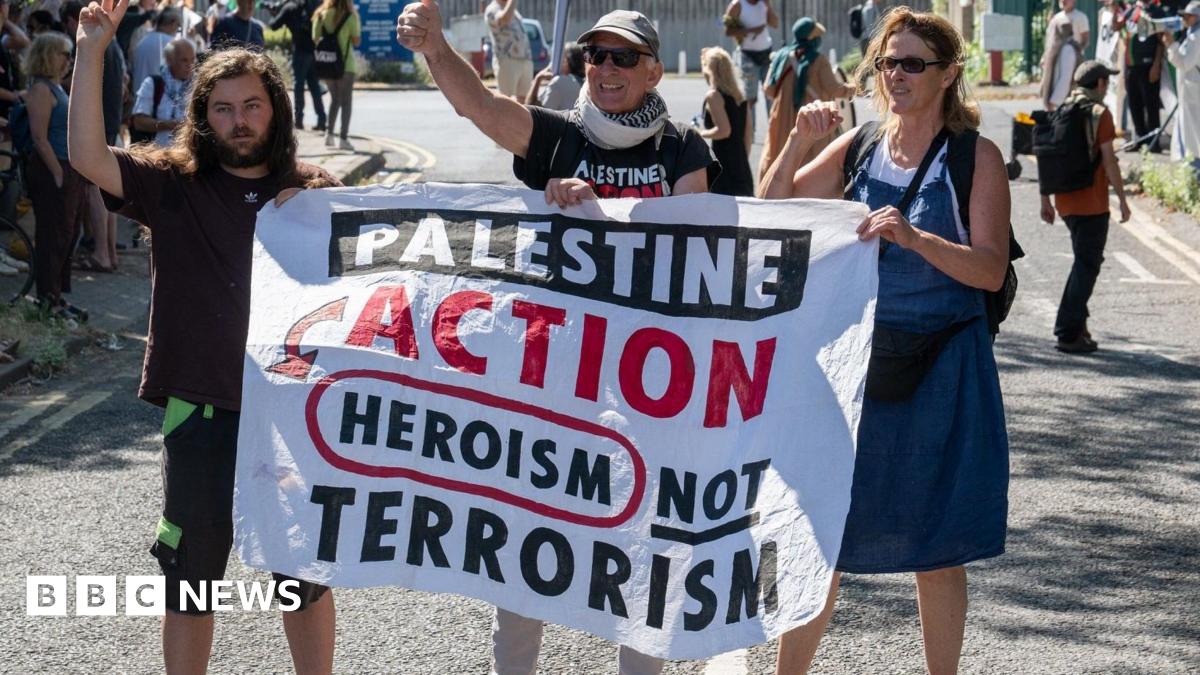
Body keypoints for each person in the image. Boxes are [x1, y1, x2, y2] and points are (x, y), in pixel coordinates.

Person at [397, 4, 716, 671]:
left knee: (641, 550)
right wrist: (435, 48)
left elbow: (696, 247)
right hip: (554, 380)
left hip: (647, 384)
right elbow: (480, 108)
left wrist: (601, 212)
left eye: (623, 57)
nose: (605, 68)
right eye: (595, 56)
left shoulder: (683, 147)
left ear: (654, 71)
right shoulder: (559, 136)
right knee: (526, 543)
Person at [69, 1, 340, 671]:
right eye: (222, 108)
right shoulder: (172, 184)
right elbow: (85, 156)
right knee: (190, 581)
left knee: (302, 579)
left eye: (251, 106)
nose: (238, 120)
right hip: (201, 414)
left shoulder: (314, 192)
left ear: (275, 111)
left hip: (293, 416)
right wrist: (92, 50)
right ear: (202, 115)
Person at [758, 9, 1010, 673]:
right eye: (887, 62)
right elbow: (773, 212)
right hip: (856, 364)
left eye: (912, 64)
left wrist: (917, 238)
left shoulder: (973, 156)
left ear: (948, 74)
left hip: (944, 365)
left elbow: (989, 269)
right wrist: (795, 140)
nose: (895, 75)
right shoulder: (863, 144)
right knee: (824, 529)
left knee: (938, 543)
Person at [1039, 61, 1131, 354]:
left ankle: (1079, 326)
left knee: (1084, 263)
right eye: (1107, 82)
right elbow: (1109, 162)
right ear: (1100, 84)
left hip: (1065, 202)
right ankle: (1068, 332)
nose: (1108, 86)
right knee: (1086, 266)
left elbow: (1046, 156)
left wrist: (1045, 199)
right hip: (1092, 203)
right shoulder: (1100, 114)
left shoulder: (1063, 110)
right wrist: (1123, 199)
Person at [25, 32, 89, 319]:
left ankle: (58, 296)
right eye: (64, 53)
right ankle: (47, 299)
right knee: (53, 235)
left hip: (68, 168)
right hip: (52, 169)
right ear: (48, 55)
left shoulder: (56, 87)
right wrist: (58, 173)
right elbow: (39, 138)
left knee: (68, 233)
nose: (68, 60)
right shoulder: (41, 89)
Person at [63, 0, 123, 272]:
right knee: (105, 188)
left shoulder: (101, 40)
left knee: (96, 188)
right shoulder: (113, 43)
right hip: (110, 120)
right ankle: (109, 252)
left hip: (100, 122)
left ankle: (102, 252)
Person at [758, 17, 854, 182]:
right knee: (812, 163)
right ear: (812, 38)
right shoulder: (819, 60)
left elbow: (769, 89)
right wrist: (853, 88)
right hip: (812, 117)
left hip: (782, 119)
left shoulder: (780, 57)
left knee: (780, 159)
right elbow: (834, 89)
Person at [697, 46, 753, 196]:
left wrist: (700, 133)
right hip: (741, 163)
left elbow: (724, 131)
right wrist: (742, 160)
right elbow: (748, 135)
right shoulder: (740, 97)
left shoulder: (714, 96)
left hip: (723, 164)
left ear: (708, 70)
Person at [269, 0, 326, 130]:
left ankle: (299, 120)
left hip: (300, 51)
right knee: (314, 86)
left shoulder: (290, 7)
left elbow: (274, 25)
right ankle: (322, 120)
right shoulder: (313, 5)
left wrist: (275, 13)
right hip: (313, 51)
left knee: (299, 86)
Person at [1118, 0, 1166, 151]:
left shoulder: (1156, 11)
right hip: (1131, 65)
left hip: (1148, 65)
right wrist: (1114, 8)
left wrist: (1156, 65)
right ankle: (1140, 139)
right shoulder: (1131, 10)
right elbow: (1118, 27)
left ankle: (1154, 142)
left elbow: (1161, 41)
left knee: (1151, 105)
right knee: (1134, 104)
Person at [723, 0, 778, 132]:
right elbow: (728, 31)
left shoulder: (764, 4)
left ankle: (774, 132)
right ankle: (749, 133)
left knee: (770, 94)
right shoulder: (737, 5)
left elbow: (775, 24)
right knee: (750, 97)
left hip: (766, 53)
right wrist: (753, 30)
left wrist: (768, 6)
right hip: (748, 55)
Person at [311, 0, 358, 149]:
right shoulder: (350, 16)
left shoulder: (320, 15)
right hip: (346, 65)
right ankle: (343, 139)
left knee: (335, 99)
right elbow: (356, 41)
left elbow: (315, 39)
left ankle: (329, 135)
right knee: (346, 102)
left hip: (327, 63)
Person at [131, 37, 194, 146]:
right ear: (170, 60)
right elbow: (139, 122)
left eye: (192, 60)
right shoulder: (152, 83)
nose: (190, 65)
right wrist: (169, 125)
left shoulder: (197, 86)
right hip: (155, 151)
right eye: (184, 60)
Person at [1164, 1, 1200, 161]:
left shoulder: (1196, 36)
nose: (1184, 19)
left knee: (1194, 132)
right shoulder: (1193, 33)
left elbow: (1185, 63)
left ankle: (1194, 167)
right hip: (1191, 90)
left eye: (1188, 16)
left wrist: (1171, 45)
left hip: (1194, 92)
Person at [1041, 0, 1090, 111]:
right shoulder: (1056, 18)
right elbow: (1050, 41)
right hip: (1054, 56)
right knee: (1051, 82)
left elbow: (1085, 40)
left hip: (1071, 55)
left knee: (1067, 84)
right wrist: (1044, 57)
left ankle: (1054, 103)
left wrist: (1077, 51)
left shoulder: (1080, 17)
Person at [484, 0, 532, 100]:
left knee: (525, 100)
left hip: (524, 59)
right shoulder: (492, 9)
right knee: (505, 99)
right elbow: (504, 19)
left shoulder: (512, 9)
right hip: (507, 60)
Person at [129, 7, 177, 103]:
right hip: (157, 103)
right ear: (172, 24)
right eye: (177, 25)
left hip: (139, 100)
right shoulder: (172, 43)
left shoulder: (142, 42)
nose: (177, 29)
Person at [524, 40, 582, 110]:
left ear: (566, 62)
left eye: (561, 58)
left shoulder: (559, 82)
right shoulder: (583, 82)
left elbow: (531, 109)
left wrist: (538, 79)